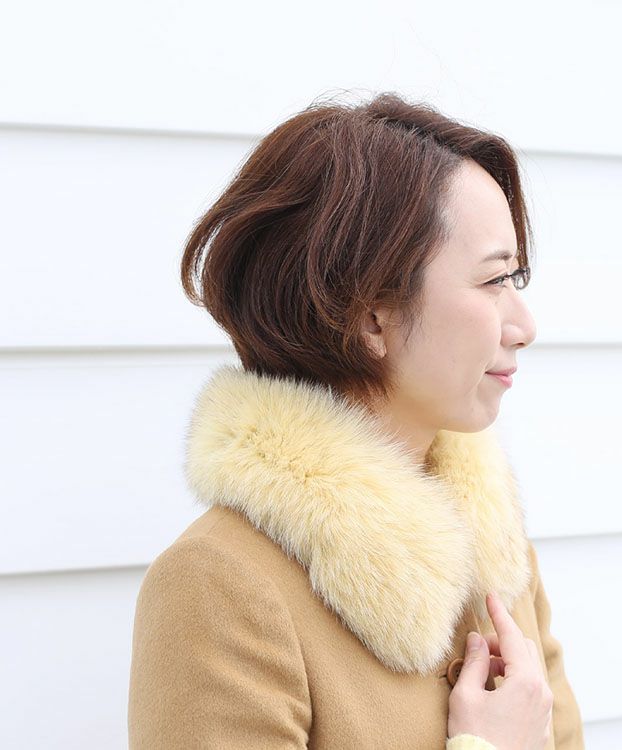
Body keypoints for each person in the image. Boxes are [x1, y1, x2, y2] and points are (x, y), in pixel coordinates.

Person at [127, 91, 585, 749]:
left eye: (519, 277)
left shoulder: (494, 551)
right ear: (371, 314)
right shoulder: (218, 583)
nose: (525, 325)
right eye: (492, 281)